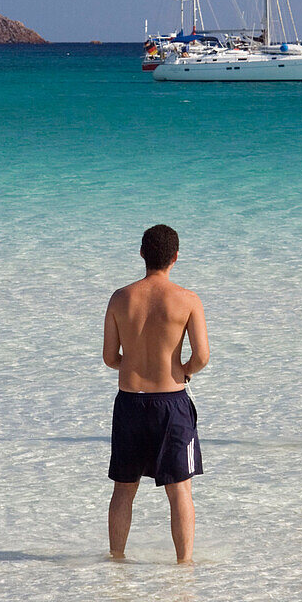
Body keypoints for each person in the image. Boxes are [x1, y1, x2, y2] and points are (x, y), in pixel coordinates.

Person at [103, 224, 209, 563]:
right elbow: (202, 356)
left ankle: (116, 559)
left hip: (130, 401)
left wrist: (133, 364)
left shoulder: (120, 298)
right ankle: (185, 565)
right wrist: (184, 371)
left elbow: (109, 358)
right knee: (179, 489)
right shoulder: (187, 300)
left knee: (124, 487)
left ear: (141, 254)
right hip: (171, 402)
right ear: (175, 257)